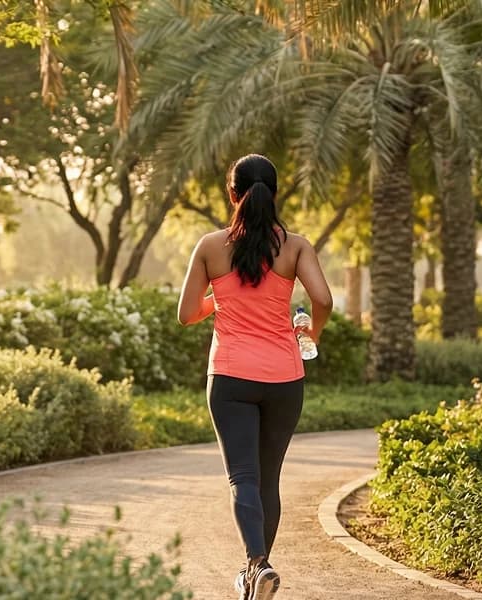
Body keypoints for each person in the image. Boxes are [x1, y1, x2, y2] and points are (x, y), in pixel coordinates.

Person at [176, 154, 333, 600]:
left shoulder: (210, 246)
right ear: (275, 193)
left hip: (229, 375)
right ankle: (255, 571)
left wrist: (218, 301)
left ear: (232, 194)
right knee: (269, 479)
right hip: (285, 376)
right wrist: (309, 334)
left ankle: (258, 566)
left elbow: (186, 314)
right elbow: (322, 299)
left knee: (242, 476)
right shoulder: (295, 246)